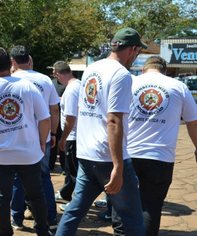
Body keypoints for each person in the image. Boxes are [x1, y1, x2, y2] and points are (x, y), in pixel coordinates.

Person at [55, 27, 147, 236]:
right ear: (132, 49)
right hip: (107, 157)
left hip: (87, 153)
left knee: (75, 210)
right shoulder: (121, 74)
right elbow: (113, 121)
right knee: (133, 217)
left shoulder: (92, 68)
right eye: (137, 51)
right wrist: (118, 165)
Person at [0, 47, 52, 236]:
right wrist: (40, 144)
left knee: (2, 197)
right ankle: (42, 231)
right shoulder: (27, 87)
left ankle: (4, 232)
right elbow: (45, 119)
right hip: (29, 153)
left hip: (1, 156)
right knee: (36, 194)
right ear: (11, 64)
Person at [112, 56, 197, 236]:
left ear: (143, 70)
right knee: (151, 207)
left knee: (122, 204)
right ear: (165, 71)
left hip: (129, 155)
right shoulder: (178, 86)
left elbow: (113, 118)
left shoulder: (131, 83)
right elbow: (193, 123)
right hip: (161, 158)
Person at [10, 45, 60, 230]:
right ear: (29, 60)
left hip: (18, 137)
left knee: (18, 178)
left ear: (12, 62)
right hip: (42, 135)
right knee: (44, 176)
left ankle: (17, 218)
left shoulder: (10, 80)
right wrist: (53, 133)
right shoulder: (45, 79)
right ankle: (51, 218)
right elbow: (54, 109)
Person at [53, 61, 80, 212]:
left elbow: (70, 116)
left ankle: (74, 202)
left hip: (73, 136)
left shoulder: (70, 90)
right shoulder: (79, 85)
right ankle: (65, 193)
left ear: (57, 74)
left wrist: (63, 138)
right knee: (71, 169)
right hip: (77, 134)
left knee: (73, 170)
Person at [49, 63, 66, 172]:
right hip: (53, 116)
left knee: (62, 141)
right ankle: (50, 165)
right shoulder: (52, 83)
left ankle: (65, 167)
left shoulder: (67, 84)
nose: (53, 72)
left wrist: (61, 99)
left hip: (64, 116)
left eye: (55, 70)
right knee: (52, 142)